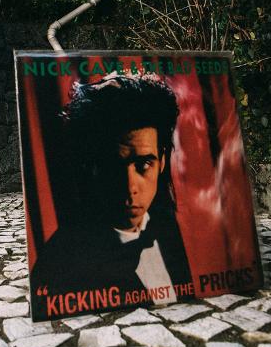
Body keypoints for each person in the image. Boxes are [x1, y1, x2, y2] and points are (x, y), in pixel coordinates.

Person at [30, 73, 192, 318]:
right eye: (112, 166)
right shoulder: (59, 262)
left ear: (162, 161)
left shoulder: (166, 224)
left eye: (143, 164)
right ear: (91, 166)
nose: (130, 186)